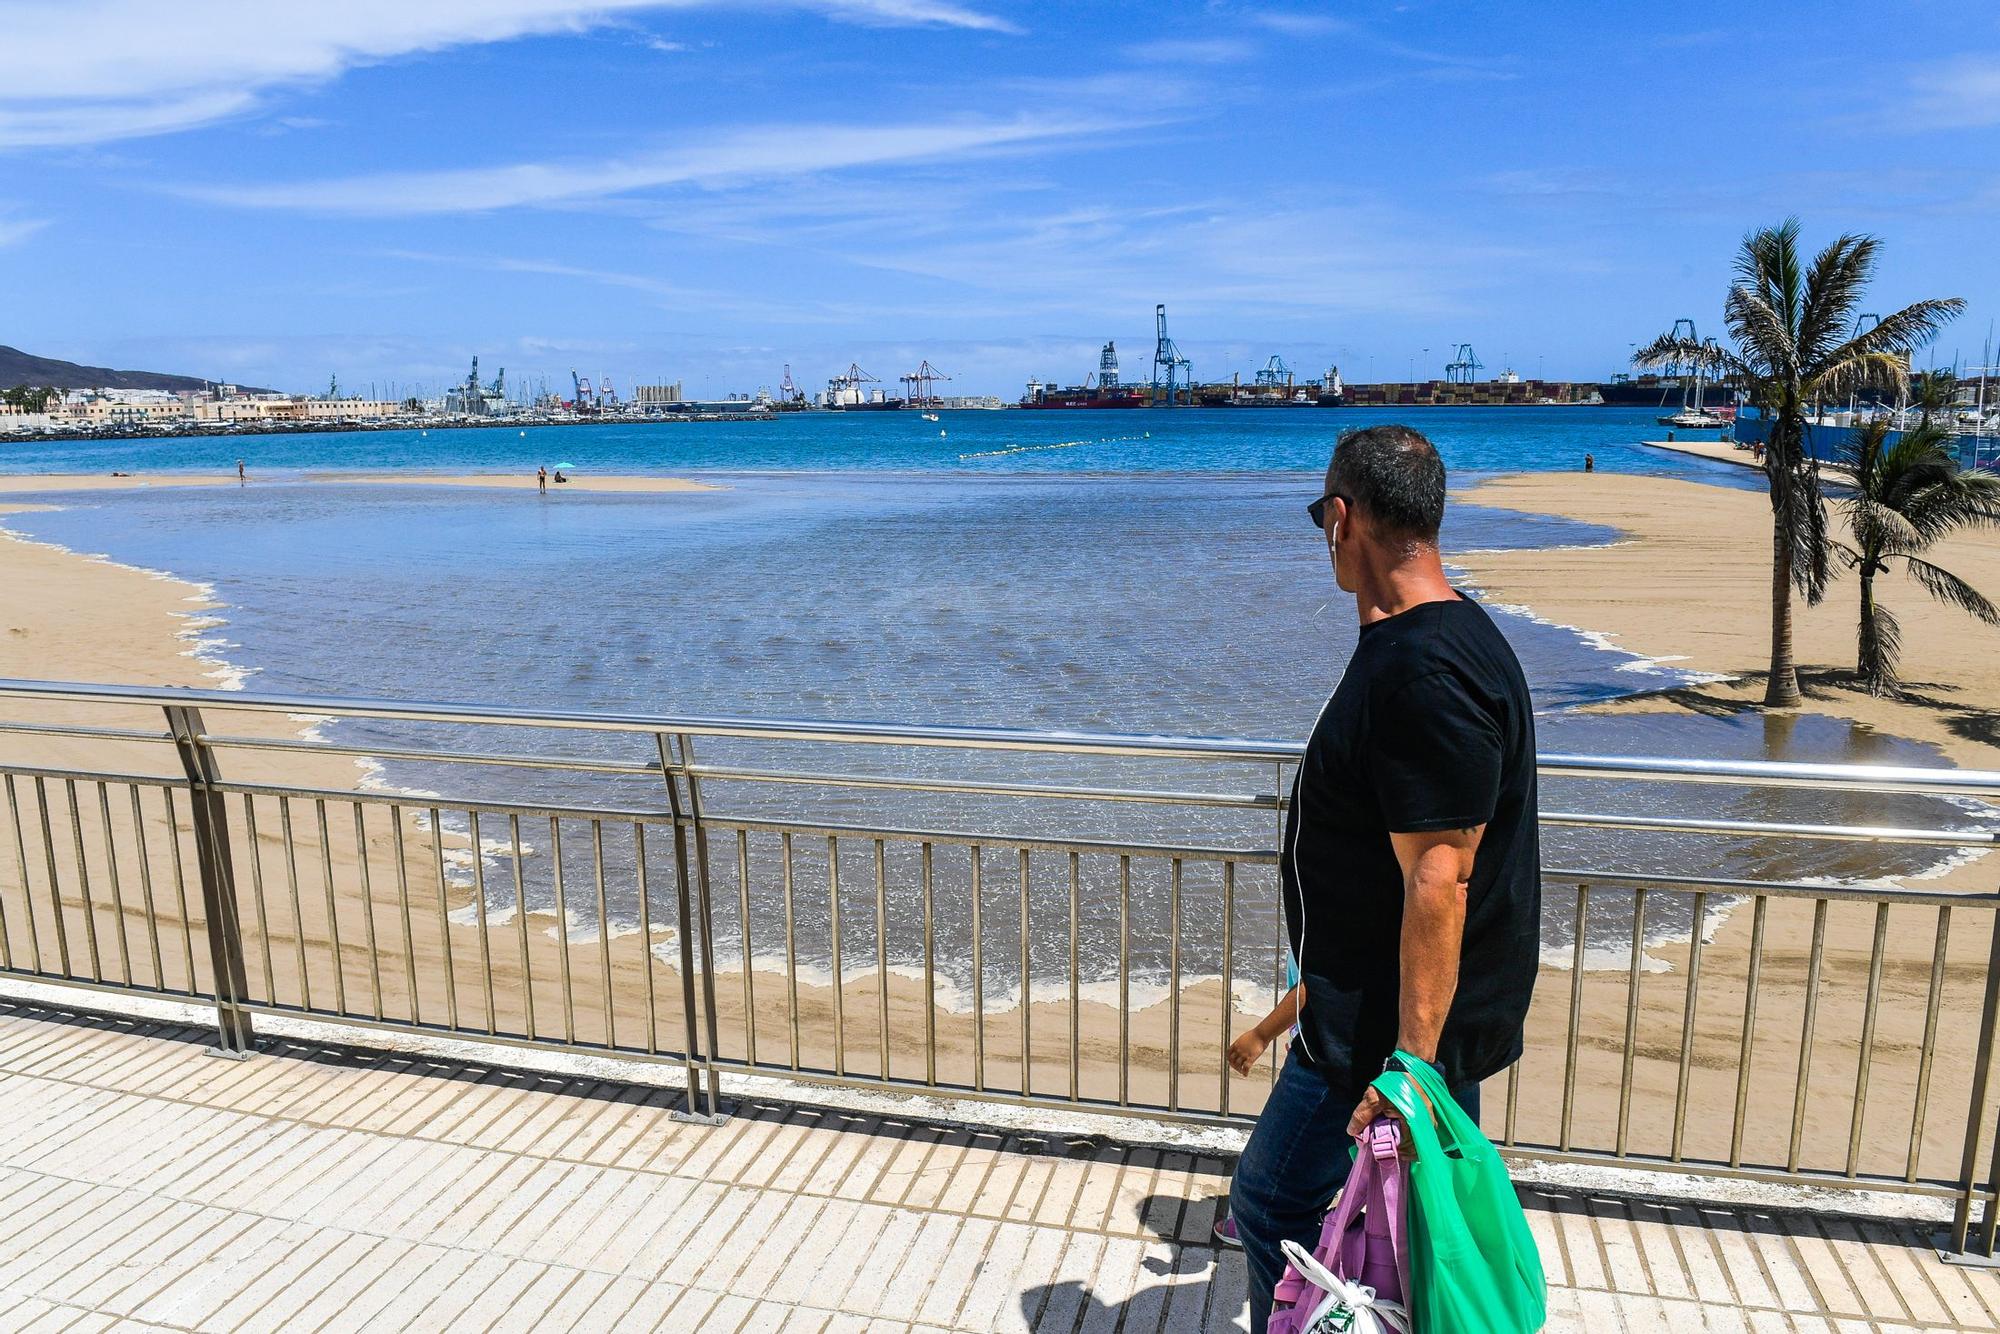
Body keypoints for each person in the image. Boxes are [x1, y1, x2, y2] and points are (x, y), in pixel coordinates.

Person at [1229, 425, 1541, 1334]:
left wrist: (1408, 1070)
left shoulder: (1423, 672)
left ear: (1343, 518)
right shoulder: (1440, 637)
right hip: (1405, 1020)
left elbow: (1440, 879)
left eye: (1319, 513)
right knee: (1409, 1228)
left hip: (1377, 1031)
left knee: (1271, 1203)